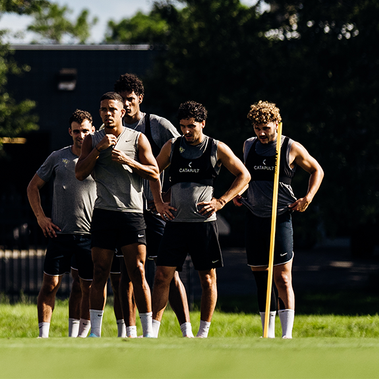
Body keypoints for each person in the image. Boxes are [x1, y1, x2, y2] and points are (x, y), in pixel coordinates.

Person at [151, 101, 250, 338]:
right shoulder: (172, 146)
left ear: (203, 124)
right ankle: (152, 333)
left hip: (204, 225)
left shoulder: (216, 147)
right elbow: (153, 172)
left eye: (191, 126)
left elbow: (244, 175)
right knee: (162, 275)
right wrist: (158, 202)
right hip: (175, 223)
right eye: (182, 126)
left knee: (207, 278)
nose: (186, 131)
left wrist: (221, 201)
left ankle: (202, 333)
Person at [74, 91, 161, 338]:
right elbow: (79, 173)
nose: (107, 113)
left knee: (137, 271)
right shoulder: (93, 139)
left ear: (122, 112)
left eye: (112, 109)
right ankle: (95, 334)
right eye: (103, 109)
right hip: (103, 214)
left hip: (132, 214)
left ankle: (148, 333)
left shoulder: (138, 138)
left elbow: (154, 172)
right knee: (99, 272)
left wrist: (128, 161)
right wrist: (98, 150)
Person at [234, 101, 323, 339]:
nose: (262, 133)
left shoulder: (290, 147)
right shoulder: (249, 145)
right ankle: (268, 335)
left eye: (266, 128)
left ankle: (287, 335)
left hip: (280, 217)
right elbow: (246, 176)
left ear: (277, 124)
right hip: (254, 217)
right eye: (257, 128)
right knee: (261, 278)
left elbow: (317, 170)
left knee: (282, 277)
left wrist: (307, 197)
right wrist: (239, 193)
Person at [114, 73, 192, 337]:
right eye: (121, 101)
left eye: (130, 99)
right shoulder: (113, 129)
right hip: (126, 210)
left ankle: (187, 331)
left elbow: (184, 152)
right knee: (127, 274)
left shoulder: (157, 125)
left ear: (140, 99)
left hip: (155, 209)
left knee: (168, 273)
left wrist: (171, 191)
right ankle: (128, 332)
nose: (126, 105)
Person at [27, 110, 97, 338]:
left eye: (85, 131)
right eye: (76, 131)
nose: (81, 135)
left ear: (93, 131)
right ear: (70, 132)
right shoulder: (58, 157)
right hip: (60, 233)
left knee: (85, 286)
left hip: (89, 234)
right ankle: (43, 336)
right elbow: (33, 187)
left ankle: (79, 336)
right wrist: (40, 217)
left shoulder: (99, 158)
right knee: (50, 284)